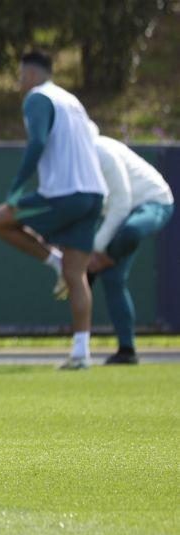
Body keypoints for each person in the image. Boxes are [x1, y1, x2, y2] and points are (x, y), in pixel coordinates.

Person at [0, 50, 107, 369]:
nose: (19, 82)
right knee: (76, 274)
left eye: (20, 75)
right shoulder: (73, 101)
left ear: (30, 75)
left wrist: (16, 187)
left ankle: (52, 260)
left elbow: (37, 142)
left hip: (64, 194)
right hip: (94, 194)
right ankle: (81, 352)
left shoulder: (38, 98)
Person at [88, 126, 174, 364]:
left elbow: (121, 204)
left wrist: (99, 251)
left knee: (131, 231)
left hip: (153, 202)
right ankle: (127, 350)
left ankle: (104, 260)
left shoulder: (102, 150)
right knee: (112, 278)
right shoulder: (73, 158)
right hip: (117, 213)